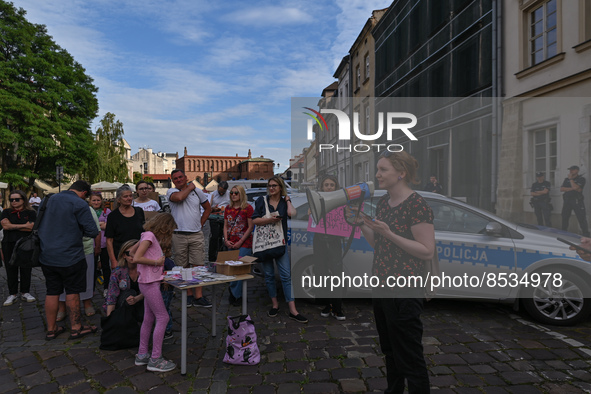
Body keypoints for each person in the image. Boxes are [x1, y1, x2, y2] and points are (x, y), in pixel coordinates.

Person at [352, 151, 435, 393]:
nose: (377, 174)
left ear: (402, 173)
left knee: (409, 355)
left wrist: (389, 233)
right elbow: (379, 245)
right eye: (378, 169)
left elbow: (427, 251)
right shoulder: (384, 202)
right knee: (389, 350)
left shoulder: (417, 204)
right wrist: (364, 226)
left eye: (383, 169)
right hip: (382, 286)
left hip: (406, 290)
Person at [38, 181, 100, 340]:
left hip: (47, 255)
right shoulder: (79, 203)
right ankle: (76, 327)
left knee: (52, 291)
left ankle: (51, 329)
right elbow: (93, 231)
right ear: (85, 193)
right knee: (73, 291)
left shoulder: (48, 200)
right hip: (71, 256)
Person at [252, 176, 307, 323]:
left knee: (286, 276)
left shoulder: (284, 202)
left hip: (280, 243)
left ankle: (292, 310)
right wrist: (269, 220)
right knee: (269, 275)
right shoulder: (261, 201)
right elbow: (255, 220)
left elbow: (291, 214)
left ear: (280, 187)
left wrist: (288, 200)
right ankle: (275, 305)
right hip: (264, 244)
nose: (271, 188)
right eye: (269, 185)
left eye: (274, 186)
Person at [132, 212, 177, 372]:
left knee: (149, 318)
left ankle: (142, 354)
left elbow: (131, 252)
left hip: (147, 281)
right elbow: (136, 257)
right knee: (163, 317)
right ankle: (156, 359)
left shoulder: (145, 235)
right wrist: (156, 262)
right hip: (150, 282)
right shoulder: (150, 236)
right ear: (164, 228)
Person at [167, 169, 212, 307]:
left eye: (181, 177)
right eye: (175, 178)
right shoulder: (170, 192)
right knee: (183, 266)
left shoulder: (197, 192)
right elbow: (179, 198)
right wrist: (191, 186)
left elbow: (208, 208)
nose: (179, 180)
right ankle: (189, 295)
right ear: (173, 181)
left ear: (185, 177)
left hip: (195, 234)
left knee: (198, 265)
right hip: (179, 234)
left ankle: (198, 297)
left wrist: (201, 222)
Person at [56, 204, 100, 319]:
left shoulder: (88, 209)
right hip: (63, 249)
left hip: (85, 248)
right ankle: (62, 307)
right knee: (62, 279)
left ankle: (87, 303)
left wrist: (97, 247)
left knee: (87, 276)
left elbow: (96, 229)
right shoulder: (59, 208)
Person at [313, 175, 346, 320]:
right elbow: (312, 218)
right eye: (326, 185)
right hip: (319, 240)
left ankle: (337, 307)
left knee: (337, 274)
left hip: (334, 241)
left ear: (336, 187)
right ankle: (327, 305)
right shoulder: (316, 201)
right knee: (322, 273)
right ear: (322, 187)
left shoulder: (340, 202)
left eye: (332, 185)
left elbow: (346, 219)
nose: (329, 187)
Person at [1, 190, 37, 306]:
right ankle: (12, 294)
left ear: (23, 200)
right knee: (10, 268)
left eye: (17, 199)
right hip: (8, 243)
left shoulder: (31, 212)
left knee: (26, 268)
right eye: (12, 200)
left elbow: (31, 227)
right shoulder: (6, 212)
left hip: (25, 243)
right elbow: (5, 226)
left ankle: (25, 292)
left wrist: (13, 226)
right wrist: (23, 225)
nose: (14, 202)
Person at [223, 185, 254, 306]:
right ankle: (235, 292)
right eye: (231, 193)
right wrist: (226, 240)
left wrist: (240, 242)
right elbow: (225, 225)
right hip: (230, 242)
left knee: (238, 268)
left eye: (236, 193)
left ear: (241, 194)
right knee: (231, 268)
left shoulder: (248, 208)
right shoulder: (228, 208)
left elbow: (250, 226)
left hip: (244, 243)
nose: (233, 195)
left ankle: (237, 295)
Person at [105, 185, 146, 270]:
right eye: (125, 196)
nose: (129, 198)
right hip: (120, 257)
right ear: (118, 199)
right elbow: (109, 240)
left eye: (130, 196)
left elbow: (144, 233)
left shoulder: (139, 212)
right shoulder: (113, 216)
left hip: (138, 255)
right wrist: (113, 260)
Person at [103, 239, 143, 318]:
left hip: (141, 300)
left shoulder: (145, 270)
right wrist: (110, 320)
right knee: (129, 293)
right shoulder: (118, 272)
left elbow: (151, 290)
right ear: (124, 255)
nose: (132, 256)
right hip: (122, 304)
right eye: (129, 253)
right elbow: (112, 296)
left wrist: (137, 299)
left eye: (136, 253)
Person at [90, 192, 112, 296]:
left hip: (104, 243)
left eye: (98, 200)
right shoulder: (87, 211)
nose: (96, 202)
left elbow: (109, 226)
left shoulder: (106, 211)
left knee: (106, 266)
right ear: (90, 201)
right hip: (91, 244)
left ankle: (107, 287)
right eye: (94, 200)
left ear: (101, 201)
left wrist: (96, 224)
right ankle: (91, 288)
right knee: (91, 267)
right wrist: (101, 224)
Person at [561, 165, 590, 237]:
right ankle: (563, 233)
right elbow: (562, 189)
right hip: (567, 200)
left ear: (577, 171)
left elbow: (576, 187)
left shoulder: (581, 179)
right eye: (570, 170)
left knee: (581, 218)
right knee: (565, 217)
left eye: (572, 170)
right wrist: (573, 188)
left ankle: (586, 235)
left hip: (577, 201)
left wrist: (571, 180)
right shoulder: (566, 179)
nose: (571, 171)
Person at [208, 181, 230, 262]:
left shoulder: (229, 194)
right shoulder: (213, 194)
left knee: (222, 237)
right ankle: (212, 257)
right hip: (214, 217)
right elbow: (208, 207)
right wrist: (214, 209)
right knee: (214, 236)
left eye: (223, 192)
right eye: (220, 192)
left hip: (225, 218)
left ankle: (221, 254)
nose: (221, 194)